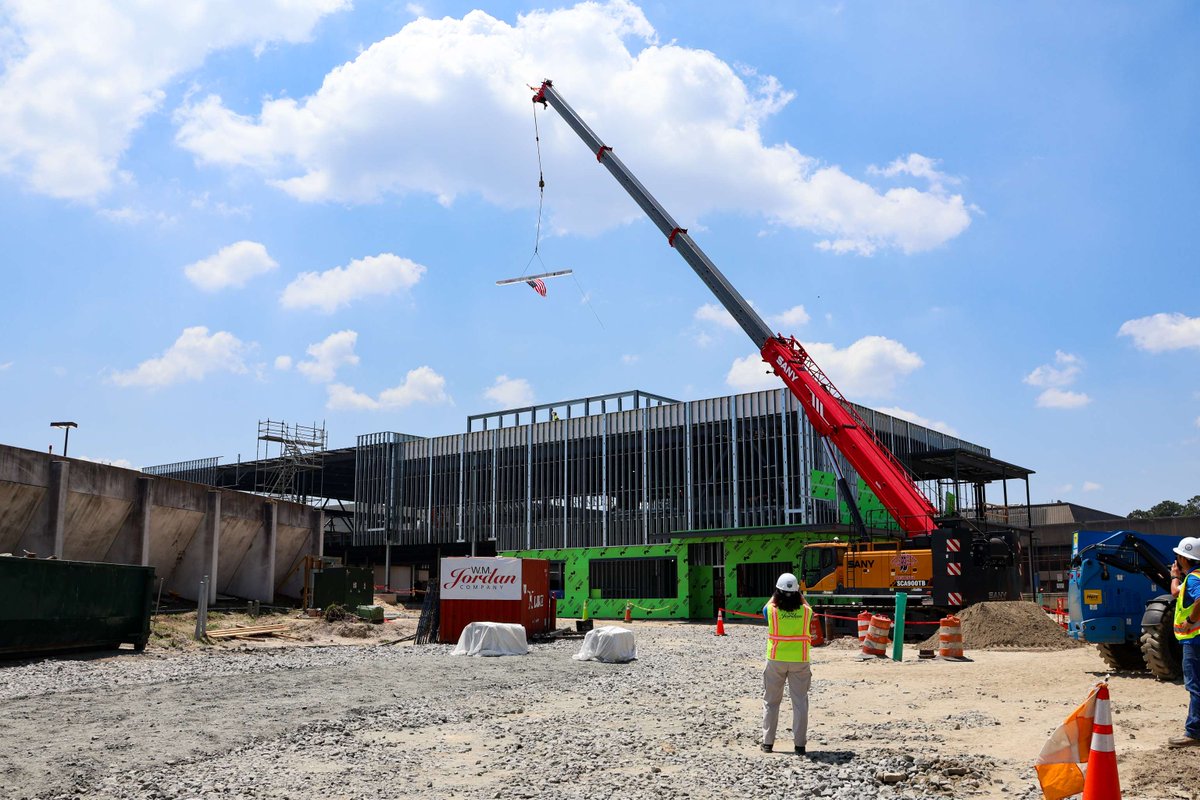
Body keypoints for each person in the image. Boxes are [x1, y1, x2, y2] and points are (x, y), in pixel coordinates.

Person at [760, 572, 813, 755]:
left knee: (771, 702)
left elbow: (765, 608)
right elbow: (807, 605)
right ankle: (800, 746)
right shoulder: (806, 612)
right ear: (798, 593)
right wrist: (798, 593)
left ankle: (768, 743)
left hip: (776, 660)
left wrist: (776, 593)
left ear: (777, 592)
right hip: (800, 660)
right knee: (800, 703)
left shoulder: (772, 611)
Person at [1170, 536, 1200, 747]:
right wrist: (1175, 576)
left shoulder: (1194, 580)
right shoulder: (1193, 577)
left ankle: (1194, 732)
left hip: (1195, 641)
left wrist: (1190, 620)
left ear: (1184, 557)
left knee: (1195, 686)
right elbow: (1175, 591)